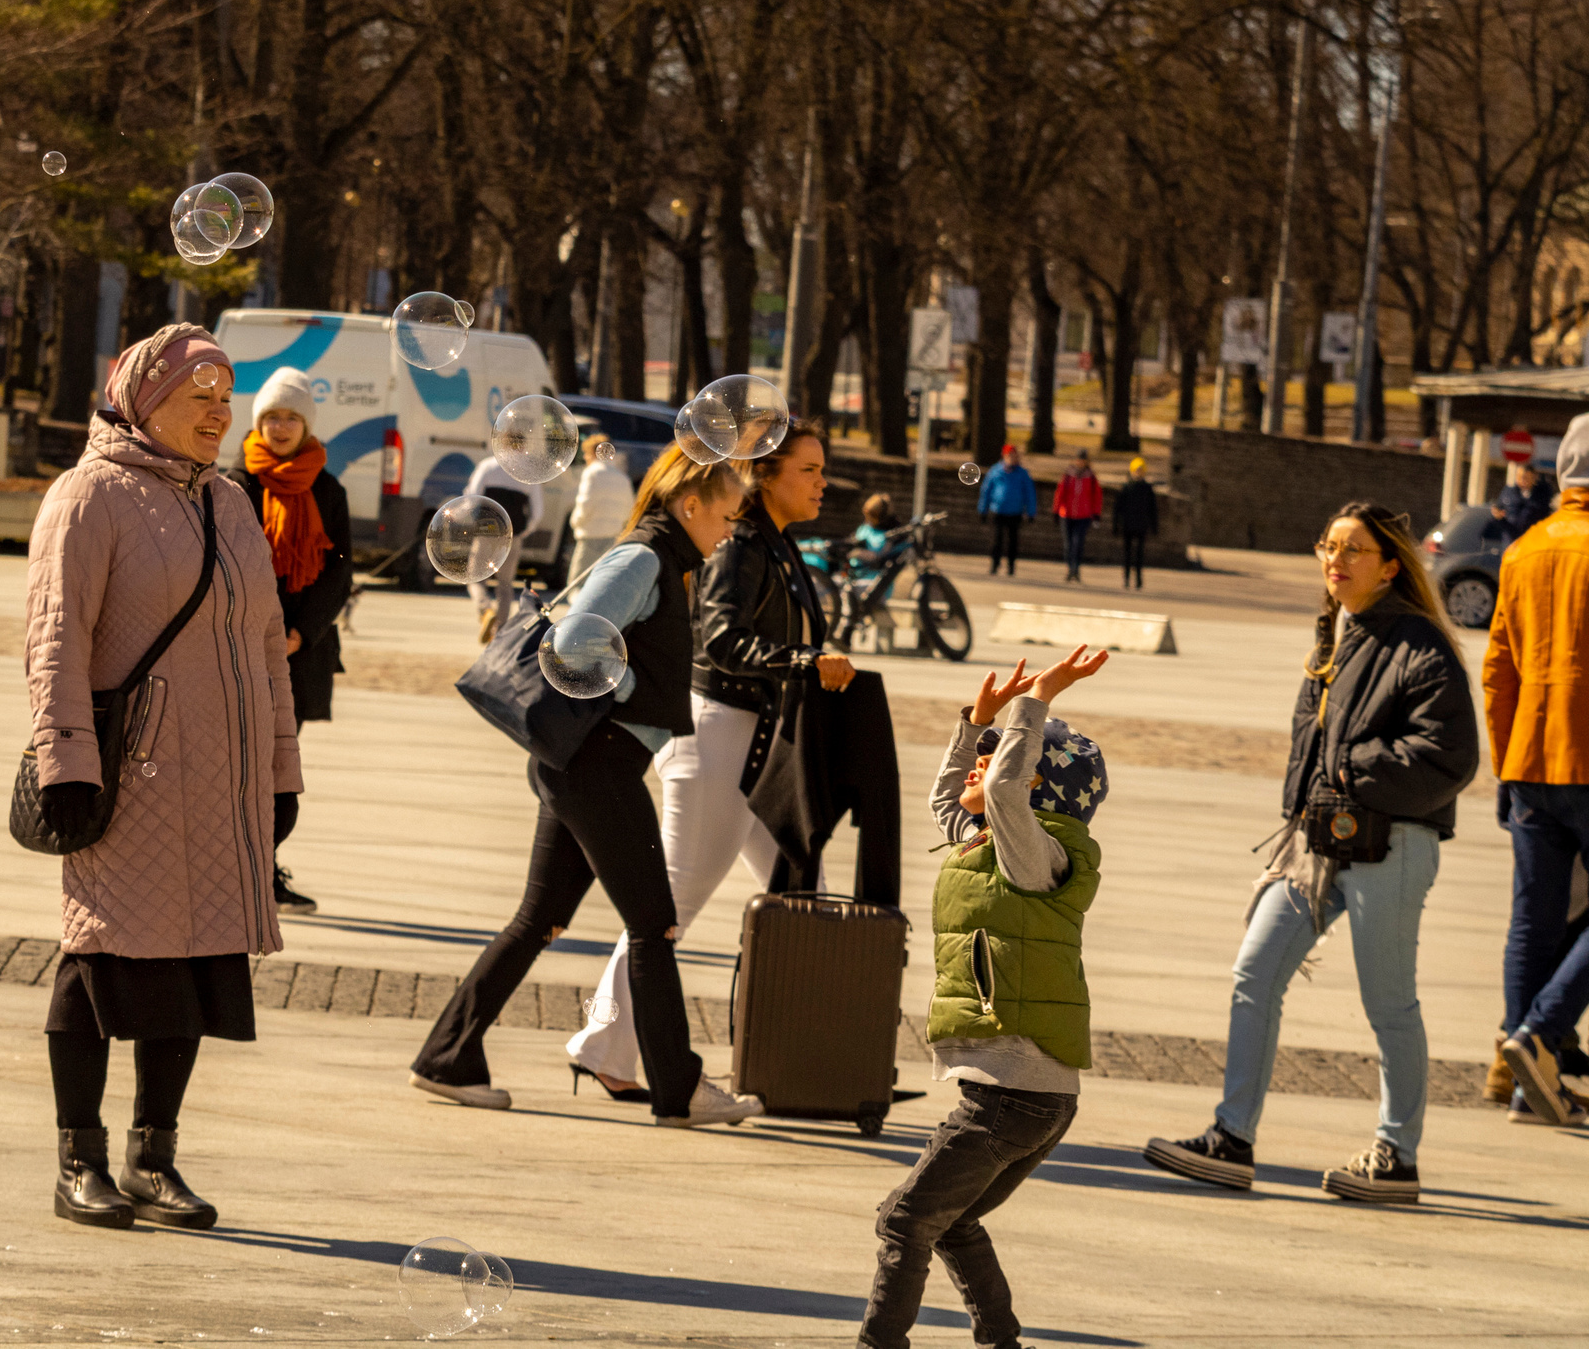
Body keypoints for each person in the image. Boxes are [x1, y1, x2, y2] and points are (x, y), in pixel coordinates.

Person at [24, 323, 300, 1231]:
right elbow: (56, 639)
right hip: (126, 773)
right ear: (147, 400)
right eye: (201, 396)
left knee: (192, 962)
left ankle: (154, 1157)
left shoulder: (231, 503)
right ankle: (79, 1160)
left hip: (221, 782)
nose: (222, 412)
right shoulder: (87, 496)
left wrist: (280, 771)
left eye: (228, 397)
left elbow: (268, 651)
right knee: (99, 958)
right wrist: (67, 757)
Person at [410, 444, 761, 1129]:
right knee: (654, 922)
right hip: (595, 762)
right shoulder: (644, 557)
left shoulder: (666, 559)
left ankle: (446, 1057)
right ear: (689, 505)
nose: (728, 530)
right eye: (724, 515)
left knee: (538, 918)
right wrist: (637, 687)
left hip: (580, 764)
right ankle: (678, 1089)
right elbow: (572, 645)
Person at [1145, 501, 1478, 1206]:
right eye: (1328, 546)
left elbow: (1451, 754)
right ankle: (1231, 1138)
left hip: (1390, 843)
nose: (1336, 560)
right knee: (1253, 972)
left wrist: (1354, 767)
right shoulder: (1336, 632)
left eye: (1354, 549)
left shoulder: (1418, 642)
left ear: (1391, 564)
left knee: (1389, 1004)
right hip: (1315, 842)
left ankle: (1397, 1156)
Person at [565, 422, 853, 1098]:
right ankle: (605, 1045)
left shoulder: (778, 544)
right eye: (808, 469)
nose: (821, 482)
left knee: (795, 889)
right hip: (717, 735)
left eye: (821, 470)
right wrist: (803, 661)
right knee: (672, 897)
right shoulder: (742, 542)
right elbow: (721, 637)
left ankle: (805, 1056)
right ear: (768, 473)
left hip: (758, 741)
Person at [857, 645, 1111, 1349]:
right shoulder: (981, 845)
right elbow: (953, 796)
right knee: (953, 1220)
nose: (981, 767)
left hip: (1012, 1096)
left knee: (904, 1221)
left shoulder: (1038, 856)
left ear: (1035, 787)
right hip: (1029, 1096)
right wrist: (976, 721)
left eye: (997, 758)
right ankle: (1003, 1342)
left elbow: (1000, 791)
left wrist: (1039, 701)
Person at [1482, 412, 1589, 1126]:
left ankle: (1528, 1085)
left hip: (1529, 757)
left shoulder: (1525, 547)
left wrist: (1505, 762)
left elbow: (1497, 670)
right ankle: (1540, 1033)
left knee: (1533, 919)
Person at [234, 365, 350, 918]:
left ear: (307, 424)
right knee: (234, 766)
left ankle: (263, 869)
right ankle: (231, 868)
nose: (280, 427)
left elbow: (338, 574)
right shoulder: (235, 484)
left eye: (291, 417)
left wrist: (301, 633)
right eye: (271, 416)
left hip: (298, 653)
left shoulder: (329, 489)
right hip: (236, 650)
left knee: (278, 768)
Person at [463, 452, 542, 641]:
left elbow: (472, 497)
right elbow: (538, 511)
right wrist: (524, 531)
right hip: (512, 534)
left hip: (486, 530)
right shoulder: (529, 472)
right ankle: (499, 632)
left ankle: (485, 609)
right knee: (505, 586)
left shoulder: (488, 465)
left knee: (475, 577)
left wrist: (472, 521)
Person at [566, 435, 635, 584]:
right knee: (601, 582)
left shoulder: (592, 473)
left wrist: (575, 523)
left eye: (586, 453)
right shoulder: (623, 478)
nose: (584, 457)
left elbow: (585, 504)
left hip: (590, 536)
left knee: (577, 584)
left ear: (593, 453)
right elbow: (629, 511)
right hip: (613, 538)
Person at [976, 446, 1035, 576]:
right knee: (997, 540)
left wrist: (1031, 512)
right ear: (1004, 456)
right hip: (998, 510)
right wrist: (983, 509)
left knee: (1013, 542)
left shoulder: (1022, 473)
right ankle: (994, 564)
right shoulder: (996, 471)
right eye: (1009, 455)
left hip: (1015, 512)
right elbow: (986, 490)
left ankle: (1011, 566)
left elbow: (1030, 493)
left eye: (1014, 455)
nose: (1012, 458)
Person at [1053, 450, 1102, 584]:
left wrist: (1096, 514)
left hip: (1083, 515)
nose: (1080, 462)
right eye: (1079, 459)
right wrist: (1056, 510)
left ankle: (1076, 568)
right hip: (1067, 514)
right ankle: (1070, 569)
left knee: (1078, 543)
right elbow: (1060, 492)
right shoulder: (1068, 475)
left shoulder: (1091, 477)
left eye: (1083, 460)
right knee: (1068, 544)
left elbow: (1096, 497)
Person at [1112, 457, 1159, 591]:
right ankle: (1126, 578)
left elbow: (1152, 509)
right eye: (1136, 470)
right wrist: (1116, 525)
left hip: (1141, 525)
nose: (1138, 473)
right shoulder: (1126, 488)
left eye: (1140, 471)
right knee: (1127, 554)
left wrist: (1154, 526)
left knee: (1139, 554)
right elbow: (1118, 508)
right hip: (1127, 525)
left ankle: (1138, 579)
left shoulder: (1147, 489)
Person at [1491, 461, 1552, 543]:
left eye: (1526, 477)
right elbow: (1499, 509)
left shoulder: (1541, 496)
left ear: (1533, 478)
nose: (1522, 480)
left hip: (1531, 540)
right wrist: (1498, 514)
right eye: (1519, 477)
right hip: (1510, 541)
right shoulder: (1509, 492)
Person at [849, 491, 896, 576]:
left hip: (872, 577)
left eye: (871, 516)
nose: (867, 519)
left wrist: (858, 553)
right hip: (855, 574)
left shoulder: (889, 535)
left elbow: (880, 557)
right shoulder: (865, 528)